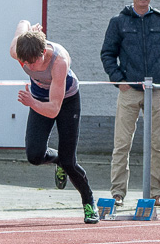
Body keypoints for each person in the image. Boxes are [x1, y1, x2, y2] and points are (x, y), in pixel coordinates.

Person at [101, 0, 160, 208]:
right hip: (130, 91)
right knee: (122, 144)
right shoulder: (119, 22)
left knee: (157, 145)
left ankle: (155, 193)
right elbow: (107, 54)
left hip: (155, 91)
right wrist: (118, 80)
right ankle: (117, 193)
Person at [10, 20, 98, 224]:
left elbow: (53, 110)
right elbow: (22, 22)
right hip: (40, 99)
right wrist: (28, 29)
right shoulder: (18, 50)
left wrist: (31, 101)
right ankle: (57, 160)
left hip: (65, 102)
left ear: (43, 52)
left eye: (34, 62)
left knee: (70, 161)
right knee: (34, 155)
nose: (30, 67)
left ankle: (88, 201)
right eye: (26, 63)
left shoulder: (59, 62)